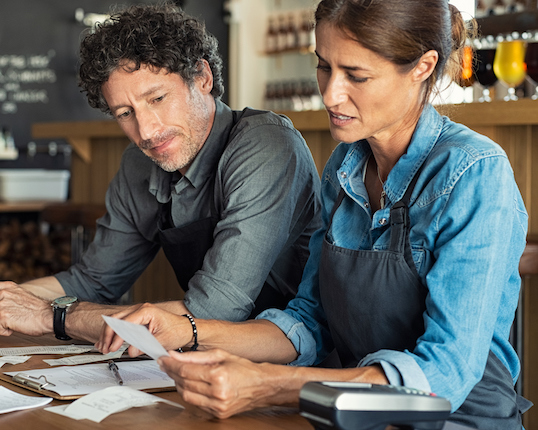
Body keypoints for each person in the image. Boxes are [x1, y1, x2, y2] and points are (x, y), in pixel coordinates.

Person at [97, 0, 532, 428]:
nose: (330, 93)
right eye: (324, 66)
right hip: (353, 415)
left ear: (423, 67)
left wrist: (273, 385)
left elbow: (445, 375)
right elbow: (309, 321)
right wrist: (186, 330)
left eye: (356, 75)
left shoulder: (474, 173)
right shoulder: (344, 168)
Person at [0, 3, 321, 342]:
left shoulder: (266, 147)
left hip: (295, 363)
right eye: (125, 113)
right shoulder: (140, 163)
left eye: (157, 98)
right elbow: (93, 280)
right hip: (206, 363)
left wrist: (53, 317)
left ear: (203, 78)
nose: (146, 131)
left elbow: (212, 311)